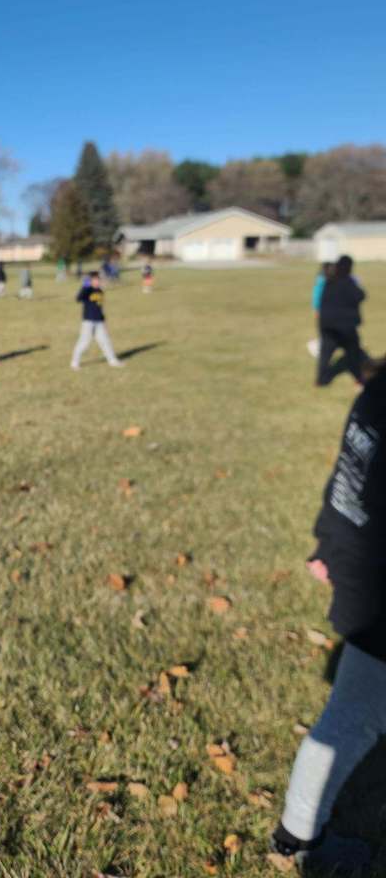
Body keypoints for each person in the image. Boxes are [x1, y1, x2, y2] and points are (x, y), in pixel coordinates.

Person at [271, 360, 386, 874]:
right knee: (354, 716)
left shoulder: (379, 387)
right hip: (378, 585)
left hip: (361, 570)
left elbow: (345, 474)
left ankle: (296, 836)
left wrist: (326, 541)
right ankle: (300, 840)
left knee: (354, 713)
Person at [317, 256, 366, 387]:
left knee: (325, 353)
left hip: (326, 324)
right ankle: (359, 378)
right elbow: (360, 295)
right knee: (353, 353)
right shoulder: (347, 280)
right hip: (344, 325)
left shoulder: (330, 280)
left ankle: (321, 380)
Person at [70, 271, 123, 370]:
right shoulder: (87, 290)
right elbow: (78, 298)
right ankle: (74, 362)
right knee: (84, 342)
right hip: (88, 321)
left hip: (99, 321)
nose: (98, 281)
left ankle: (112, 360)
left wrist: (102, 317)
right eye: (95, 279)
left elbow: (99, 306)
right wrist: (85, 286)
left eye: (98, 279)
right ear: (90, 281)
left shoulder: (100, 290)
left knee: (105, 341)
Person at [307, 262, 334, 357]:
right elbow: (317, 300)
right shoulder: (321, 282)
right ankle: (315, 346)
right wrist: (317, 312)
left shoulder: (328, 281)